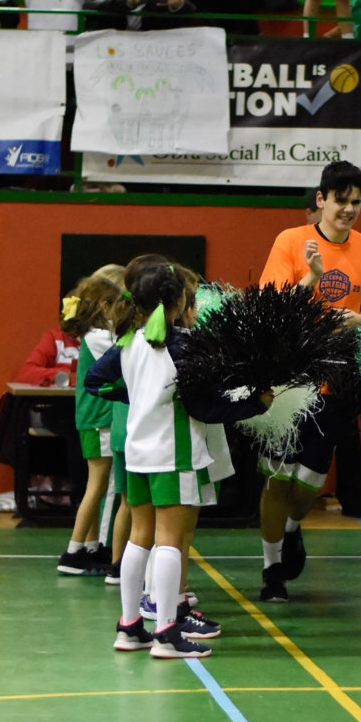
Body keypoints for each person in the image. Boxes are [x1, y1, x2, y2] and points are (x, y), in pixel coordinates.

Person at [86, 255, 267, 658]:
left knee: (140, 539)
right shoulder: (185, 346)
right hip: (174, 454)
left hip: (137, 455)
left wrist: (136, 396)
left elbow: (94, 381)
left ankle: (129, 627)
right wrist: (256, 404)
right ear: (180, 301)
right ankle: (167, 632)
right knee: (169, 541)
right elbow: (205, 408)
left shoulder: (127, 342)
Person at [257, 160, 361, 604]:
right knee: (277, 478)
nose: (349, 209)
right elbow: (271, 308)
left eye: (356, 202)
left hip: (337, 383)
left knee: (309, 483)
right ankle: (271, 569)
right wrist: (310, 276)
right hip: (288, 383)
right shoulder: (290, 241)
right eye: (341, 200)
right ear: (321, 200)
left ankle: (292, 528)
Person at [56, 266, 124, 577]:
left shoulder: (97, 334)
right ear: (104, 305)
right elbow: (125, 352)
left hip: (95, 419)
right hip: (99, 419)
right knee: (101, 487)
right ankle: (76, 552)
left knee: (97, 486)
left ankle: (90, 546)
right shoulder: (99, 336)